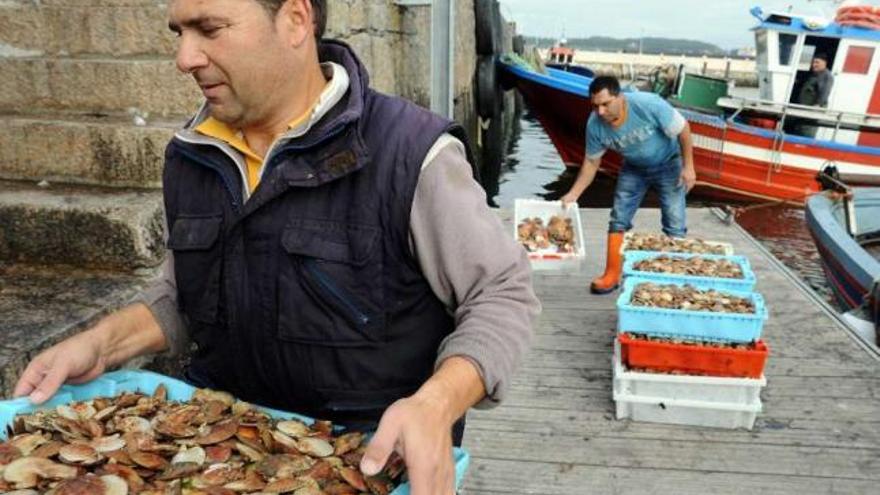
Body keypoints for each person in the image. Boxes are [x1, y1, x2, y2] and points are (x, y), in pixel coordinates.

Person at [13, 0, 540, 493]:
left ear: (294, 20)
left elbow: (502, 295)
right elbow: (187, 294)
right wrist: (100, 344)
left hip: (364, 461)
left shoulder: (411, 154)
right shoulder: (190, 156)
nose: (184, 58)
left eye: (210, 28)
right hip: (212, 453)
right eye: (179, 32)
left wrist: (437, 403)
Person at [561, 75, 695, 294]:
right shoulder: (595, 125)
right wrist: (573, 194)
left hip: (669, 164)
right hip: (634, 168)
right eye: (595, 106)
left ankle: (674, 276)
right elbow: (592, 162)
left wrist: (688, 167)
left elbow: (683, 130)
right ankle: (612, 275)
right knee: (618, 219)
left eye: (606, 104)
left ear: (620, 97)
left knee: (675, 222)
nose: (601, 112)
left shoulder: (648, 104)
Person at [792, 53, 834, 137]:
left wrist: (817, 106)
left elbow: (824, 93)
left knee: (806, 133)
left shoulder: (826, 76)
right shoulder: (813, 75)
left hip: (811, 112)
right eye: (813, 62)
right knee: (798, 129)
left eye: (817, 62)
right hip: (803, 110)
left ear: (824, 63)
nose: (813, 65)